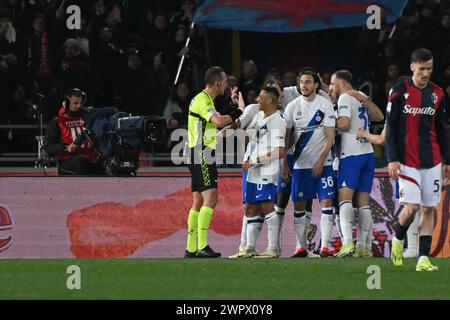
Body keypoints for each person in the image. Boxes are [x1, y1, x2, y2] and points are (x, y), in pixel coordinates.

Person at [386, 48, 449, 271]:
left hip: (432, 161)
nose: (425, 73)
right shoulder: (398, 90)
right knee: (411, 207)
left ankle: (423, 259)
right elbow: (390, 127)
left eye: (429, 69)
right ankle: (398, 239)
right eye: (422, 69)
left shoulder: (438, 93)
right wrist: (392, 158)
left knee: (429, 209)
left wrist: (447, 161)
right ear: (412, 67)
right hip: (406, 161)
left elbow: (442, 130)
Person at [184, 66, 245, 258]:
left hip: (195, 152)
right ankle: (202, 245)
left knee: (198, 200)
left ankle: (191, 248)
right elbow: (218, 121)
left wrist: (233, 107)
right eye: (225, 81)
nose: (227, 84)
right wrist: (240, 111)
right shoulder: (203, 101)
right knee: (211, 198)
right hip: (202, 153)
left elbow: (215, 119)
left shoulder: (204, 100)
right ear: (217, 82)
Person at [330, 70, 384, 258]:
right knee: (363, 203)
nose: (331, 88)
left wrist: (328, 120)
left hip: (351, 154)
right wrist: (365, 99)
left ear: (342, 84)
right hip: (367, 154)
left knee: (344, 198)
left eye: (332, 83)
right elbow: (379, 116)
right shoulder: (359, 99)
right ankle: (364, 248)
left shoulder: (345, 98)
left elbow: (344, 124)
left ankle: (347, 244)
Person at [283, 71, 336, 258]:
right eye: (301, 82)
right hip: (299, 164)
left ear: (315, 85)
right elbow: (286, 139)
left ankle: (325, 248)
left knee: (327, 201)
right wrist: (283, 163)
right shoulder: (291, 107)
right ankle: (301, 247)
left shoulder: (325, 105)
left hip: (324, 163)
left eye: (308, 82)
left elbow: (330, 137)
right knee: (299, 205)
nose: (304, 85)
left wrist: (321, 160)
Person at [357, 126, 421, 258]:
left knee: (411, 204)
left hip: (407, 161)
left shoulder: (396, 110)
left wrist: (364, 134)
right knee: (422, 206)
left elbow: (381, 140)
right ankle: (419, 249)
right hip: (428, 159)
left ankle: (413, 247)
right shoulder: (425, 107)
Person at [240, 86, 286, 258]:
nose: (257, 100)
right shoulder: (258, 116)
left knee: (266, 205)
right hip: (253, 170)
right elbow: (251, 137)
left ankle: (273, 248)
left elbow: (280, 150)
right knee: (250, 208)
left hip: (266, 170)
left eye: (260, 97)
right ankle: (249, 248)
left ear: (269, 101)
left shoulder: (278, 121)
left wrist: (255, 160)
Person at [44, 88, 101, 175]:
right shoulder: (57, 121)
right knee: (82, 161)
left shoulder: (88, 117)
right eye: (75, 103)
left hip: (91, 158)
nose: (79, 106)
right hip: (68, 160)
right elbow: (48, 147)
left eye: (81, 103)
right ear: (67, 104)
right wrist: (67, 147)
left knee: (106, 163)